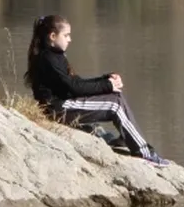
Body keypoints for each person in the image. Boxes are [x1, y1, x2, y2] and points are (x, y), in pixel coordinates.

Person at [24, 15, 169, 167]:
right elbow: (74, 88)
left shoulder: (54, 55)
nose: (70, 39)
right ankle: (144, 153)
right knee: (115, 106)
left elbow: (75, 82)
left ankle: (127, 138)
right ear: (53, 36)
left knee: (115, 95)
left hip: (65, 103)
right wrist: (106, 85)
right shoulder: (48, 59)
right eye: (66, 35)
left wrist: (105, 80)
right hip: (58, 109)